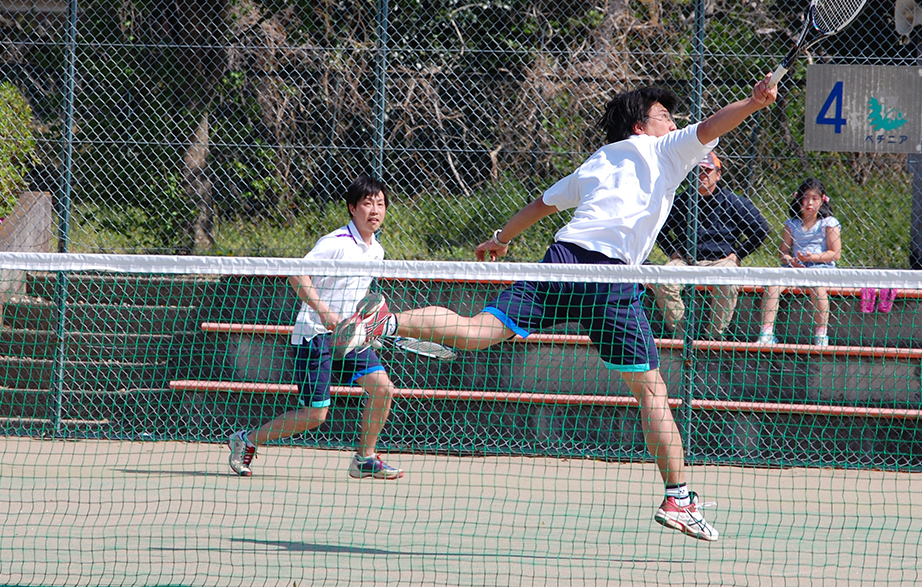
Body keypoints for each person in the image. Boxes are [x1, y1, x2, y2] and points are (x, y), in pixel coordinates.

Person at [333, 74, 779, 542]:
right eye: (664, 115)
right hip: (609, 279)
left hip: (561, 261)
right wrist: (752, 101)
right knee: (653, 392)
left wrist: (501, 239)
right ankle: (678, 497)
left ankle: (387, 319)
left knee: (478, 329)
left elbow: (541, 206)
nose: (672, 121)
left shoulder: (598, 160)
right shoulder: (664, 149)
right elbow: (712, 125)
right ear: (640, 126)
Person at [227, 174, 402, 480]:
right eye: (367, 203)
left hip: (349, 339)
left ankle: (365, 458)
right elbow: (296, 274)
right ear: (351, 208)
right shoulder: (335, 244)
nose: (375, 210)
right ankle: (247, 439)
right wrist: (323, 312)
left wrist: (364, 329)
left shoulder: (377, 250)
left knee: (383, 389)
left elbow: (358, 295)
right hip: (315, 336)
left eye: (381, 203)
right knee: (315, 415)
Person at [652, 150, 770, 338]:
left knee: (729, 281)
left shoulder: (733, 201)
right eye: (698, 171)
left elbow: (761, 229)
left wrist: (739, 254)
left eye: (707, 171)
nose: (702, 176)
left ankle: (714, 336)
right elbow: (659, 228)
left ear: (718, 174)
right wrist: (672, 251)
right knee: (663, 281)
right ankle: (683, 334)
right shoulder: (682, 201)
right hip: (687, 259)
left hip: (721, 260)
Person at [756, 177, 842, 347]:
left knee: (818, 289)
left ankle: (821, 335)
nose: (810, 203)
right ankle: (766, 333)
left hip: (821, 269)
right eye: (805, 198)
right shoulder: (792, 224)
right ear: (799, 200)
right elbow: (784, 251)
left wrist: (812, 258)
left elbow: (835, 254)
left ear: (822, 200)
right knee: (772, 286)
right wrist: (791, 260)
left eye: (815, 198)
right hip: (795, 269)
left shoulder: (828, 223)